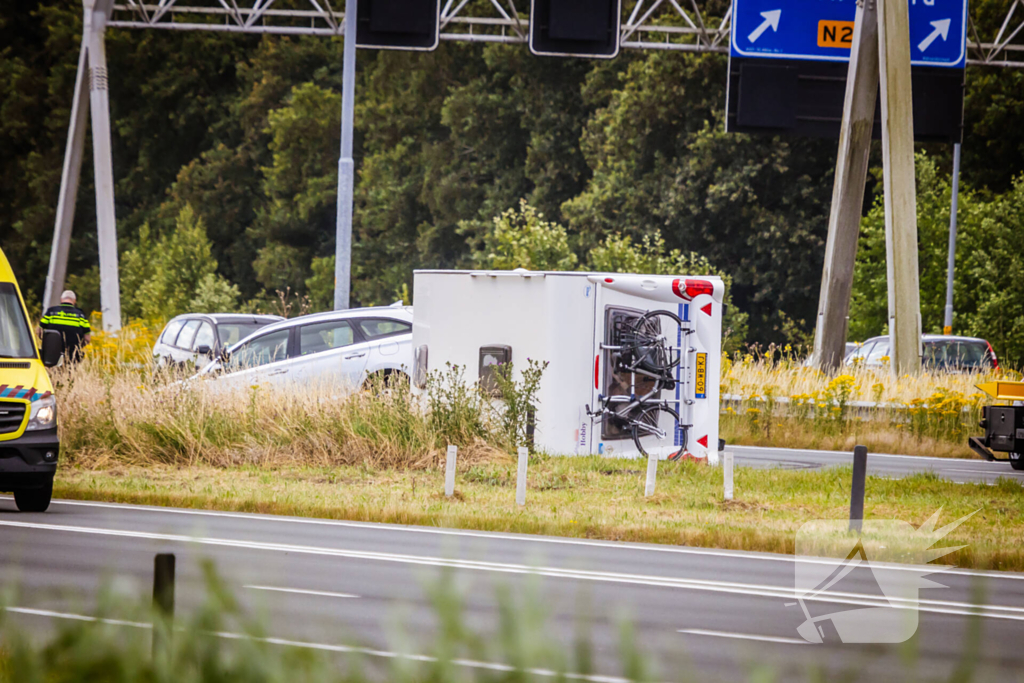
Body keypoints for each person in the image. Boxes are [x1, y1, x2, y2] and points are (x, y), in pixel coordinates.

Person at [39, 290, 91, 363]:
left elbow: (39, 331)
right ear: (74, 301)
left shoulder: (51, 312)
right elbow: (87, 339)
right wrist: (78, 347)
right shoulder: (81, 315)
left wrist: (47, 344)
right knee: (69, 373)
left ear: (61, 299)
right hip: (72, 355)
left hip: (51, 355)